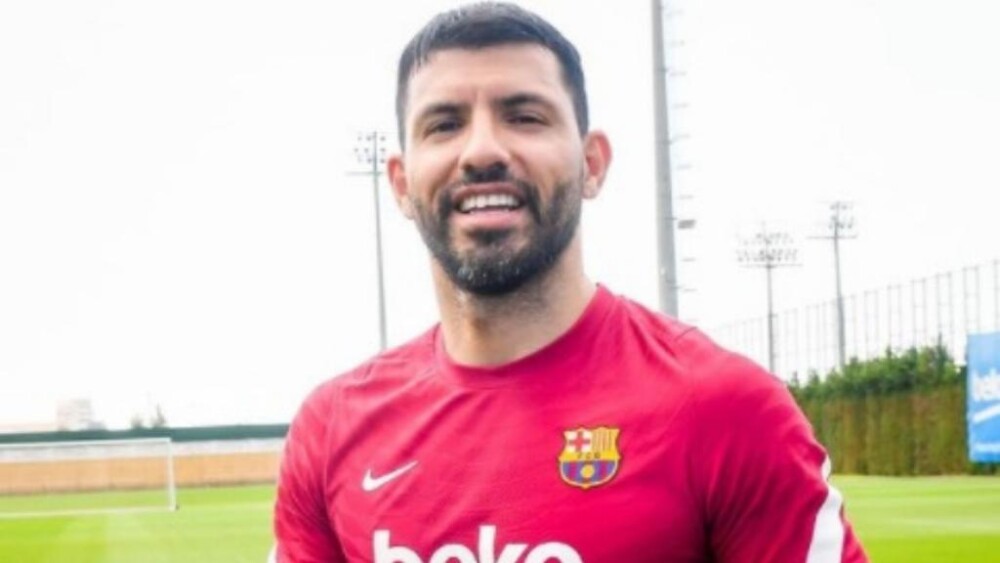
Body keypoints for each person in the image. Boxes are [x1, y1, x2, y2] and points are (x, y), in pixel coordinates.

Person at [273, 2, 869, 562]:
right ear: (402, 183)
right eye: (445, 124)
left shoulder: (725, 411)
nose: (482, 150)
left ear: (592, 164)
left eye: (524, 117)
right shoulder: (332, 430)